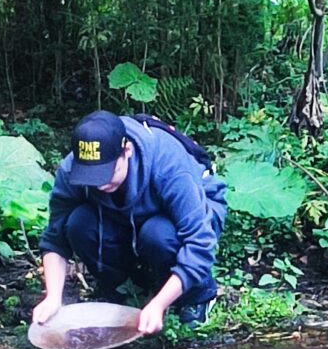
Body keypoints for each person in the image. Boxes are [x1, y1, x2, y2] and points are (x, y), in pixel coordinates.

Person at [32, 110, 227, 335]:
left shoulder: (168, 165)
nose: (101, 184)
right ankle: (125, 290)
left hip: (185, 215)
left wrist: (159, 305)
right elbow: (55, 239)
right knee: (79, 223)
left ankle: (196, 296)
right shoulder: (71, 170)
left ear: (127, 151)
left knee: (157, 234)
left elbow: (200, 242)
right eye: (91, 176)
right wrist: (53, 298)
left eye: (107, 172)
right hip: (123, 214)